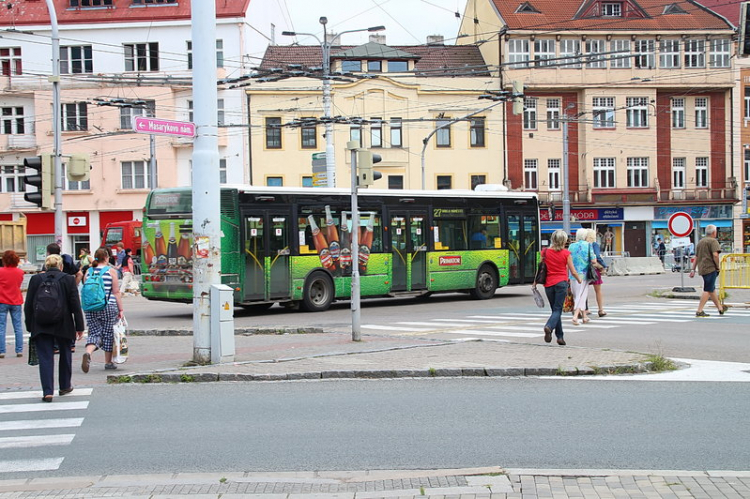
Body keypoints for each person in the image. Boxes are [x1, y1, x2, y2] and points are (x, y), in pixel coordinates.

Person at [24, 254, 85, 402]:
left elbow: (28, 305)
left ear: (45, 265)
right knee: (65, 354)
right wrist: (79, 327)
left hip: (41, 324)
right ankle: (64, 386)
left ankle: (48, 391)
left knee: (45, 357)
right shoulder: (68, 279)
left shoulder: (36, 279)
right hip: (63, 324)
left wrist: (30, 325)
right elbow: (75, 305)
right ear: (61, 266)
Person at [81, 247, 124, 372]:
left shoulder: (88, 272)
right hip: (107, 305)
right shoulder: (111, 271)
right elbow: (116, 292)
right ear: (106, 258)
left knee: (94, 332)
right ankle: (108, 362)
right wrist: (120, 309)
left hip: (90, 307)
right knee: (108, 333)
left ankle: (88, 353)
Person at [536, 230, 581, 346]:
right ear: (563, 241)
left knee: (555, 310)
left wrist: (535, 282)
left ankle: (560, 337)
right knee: (557, 310)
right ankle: (549, 326)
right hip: (561, 283)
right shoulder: (566, 253)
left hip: (549, 285)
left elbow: (540, 268)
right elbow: (572, 270)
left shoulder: (545, 252)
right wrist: (579, 280)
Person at [689, 225, 726, 317]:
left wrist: (693, 269)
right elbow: (715, 255)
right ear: (714, 232)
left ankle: (720, 308)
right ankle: (699, 310)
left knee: (711, 289)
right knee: (708, 289)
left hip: (702, 268)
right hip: (710, 268)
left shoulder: (701, 242)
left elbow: (696, 257)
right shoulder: (713, 241)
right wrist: (718, 266)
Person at [568, 228, 598, 325]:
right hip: (584, 275)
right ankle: (575, 316)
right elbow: (593, 261)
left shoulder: (571, 246)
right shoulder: (588, 246)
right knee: (581, 295)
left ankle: (584, 316)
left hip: (572, 274)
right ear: (585, 236)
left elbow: (568, 259)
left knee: (577, 294)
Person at [0, 250, 25, 358]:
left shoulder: (0, 271)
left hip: (2, 300)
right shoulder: (20, 272)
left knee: (1, 327)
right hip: (16, 300)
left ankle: (2, 351)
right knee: (18, 326)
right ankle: (19, 350)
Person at [586, 229, 608, 317]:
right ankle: (600, 309)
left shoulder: (582, 245)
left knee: (584, 290)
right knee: (598, 290)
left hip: (584, 269)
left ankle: (585, 309)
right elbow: (597, 256)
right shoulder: (594, 244)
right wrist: (604, 265)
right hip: (594, 269)